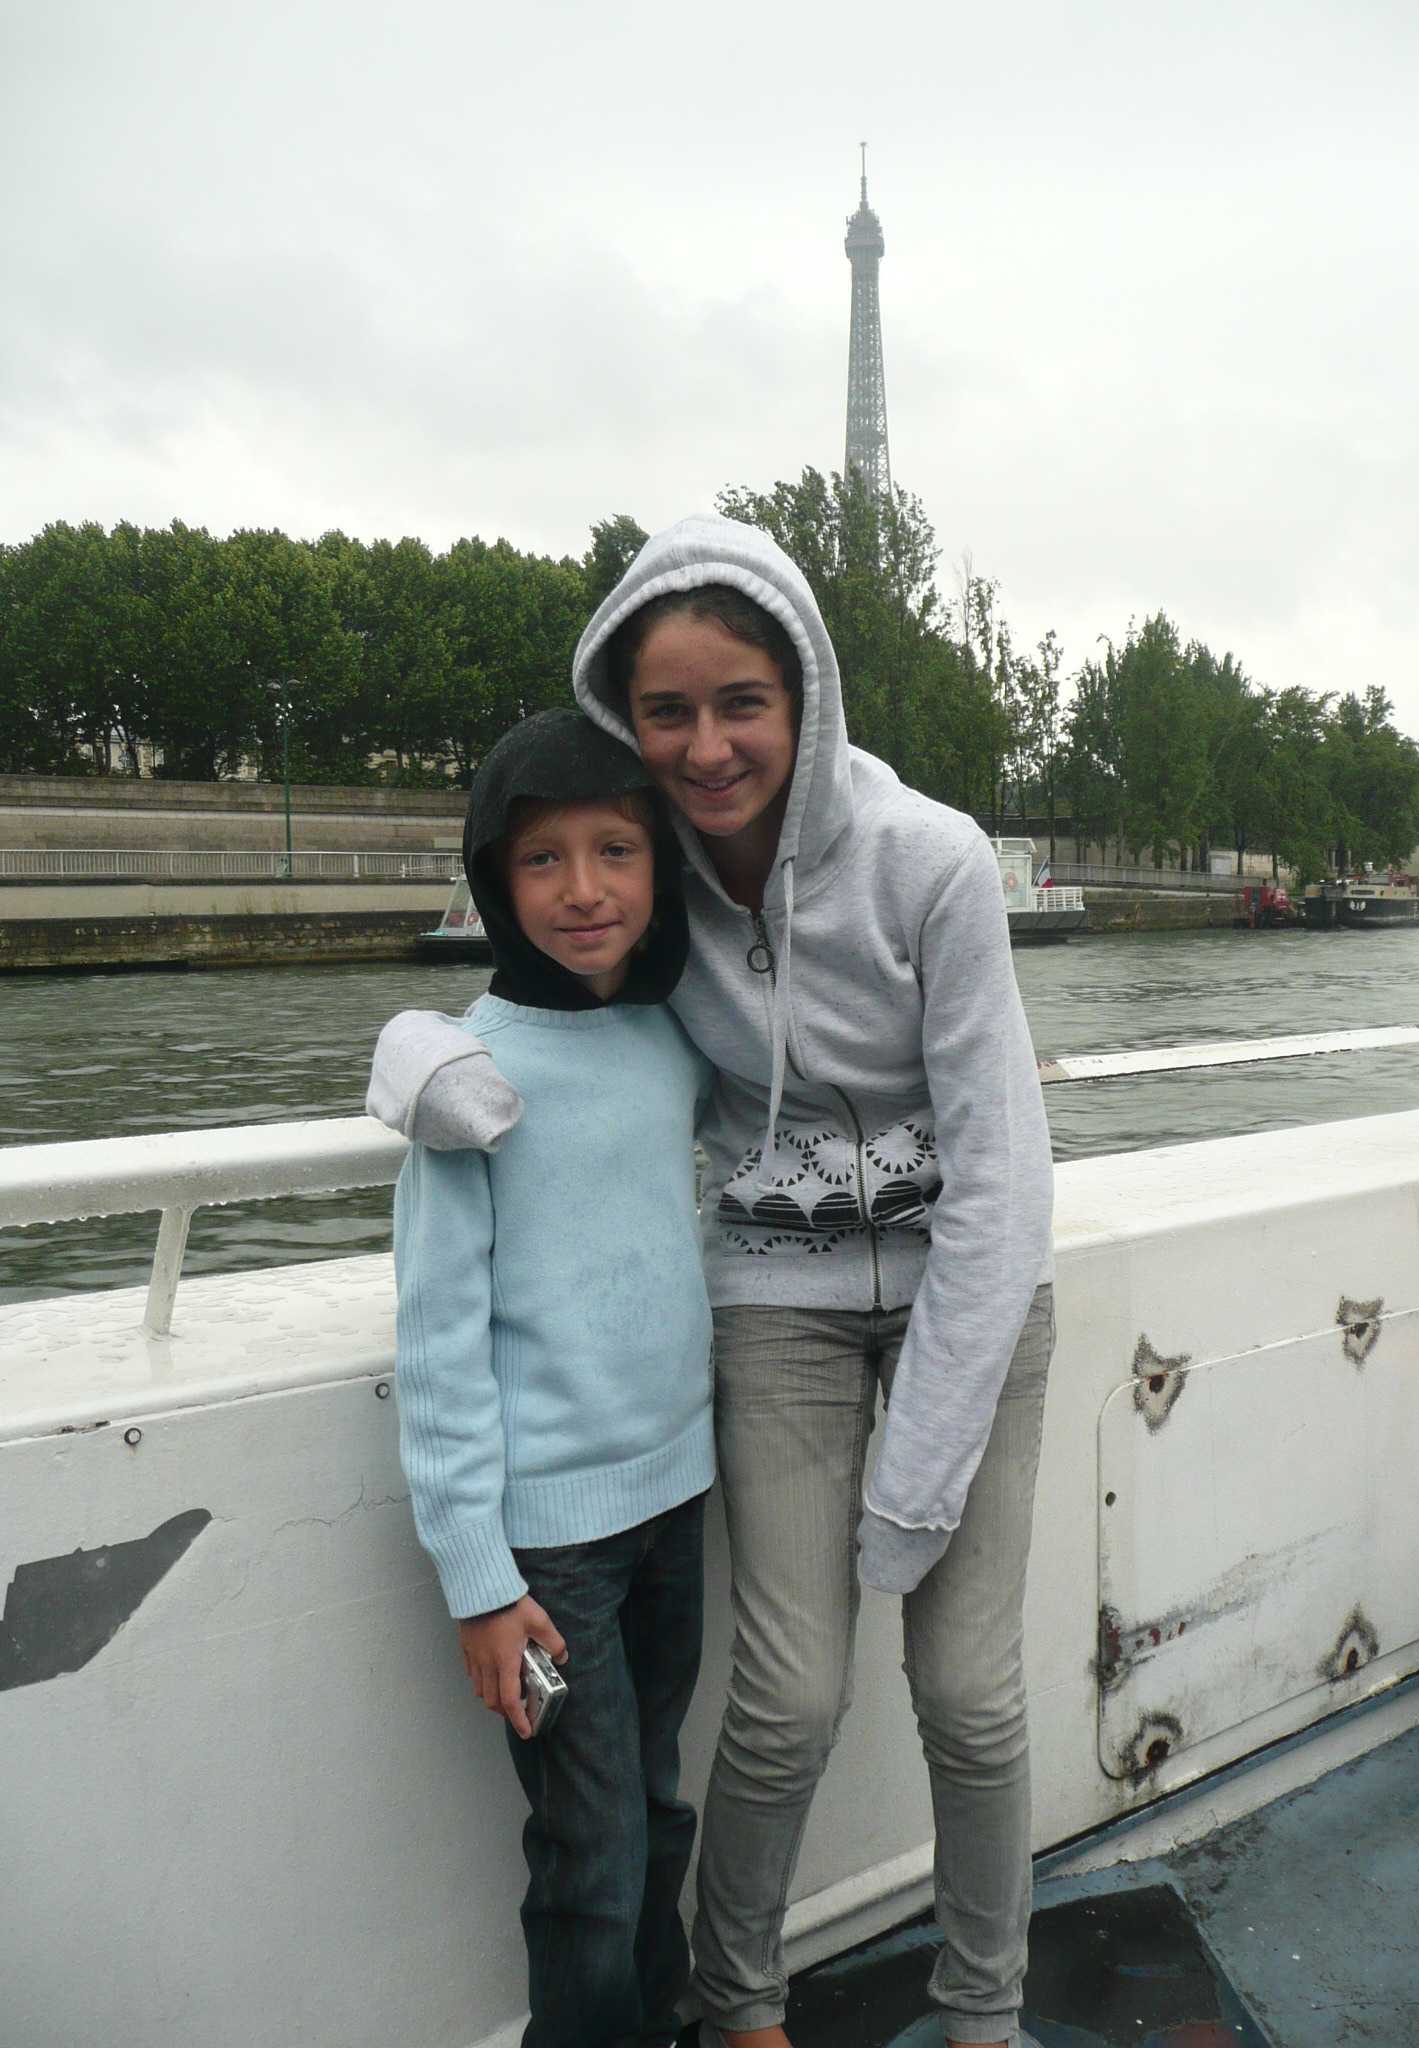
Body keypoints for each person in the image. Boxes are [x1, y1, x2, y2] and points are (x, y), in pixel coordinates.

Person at [373, 517, 1056, 2048]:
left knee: (970, 1696)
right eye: (666, 712)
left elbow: (1005, 1184)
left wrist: (917, 1480)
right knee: (788, 1697)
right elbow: (553, 995)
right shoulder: (648, 865)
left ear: (807, 692)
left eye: (743, 702)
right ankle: (740, 2006)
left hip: (970, 1298)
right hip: (780, 1304)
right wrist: (413, 1054)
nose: (707, 746)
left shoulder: (931, 862)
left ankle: (984, 2016)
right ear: (626, 722)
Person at [387, 707, 715, 2048]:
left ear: (659, 869)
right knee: (591, 1852)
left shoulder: (670, 1036)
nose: (584, 890)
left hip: (677, 1503)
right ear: (494, 880)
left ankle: (662, 2020)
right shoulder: (465, 1080)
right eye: (542, 859)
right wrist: (479, 1578)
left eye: (616, 851)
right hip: (548, 1554)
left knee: (658, 1806)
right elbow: (437, 1339)